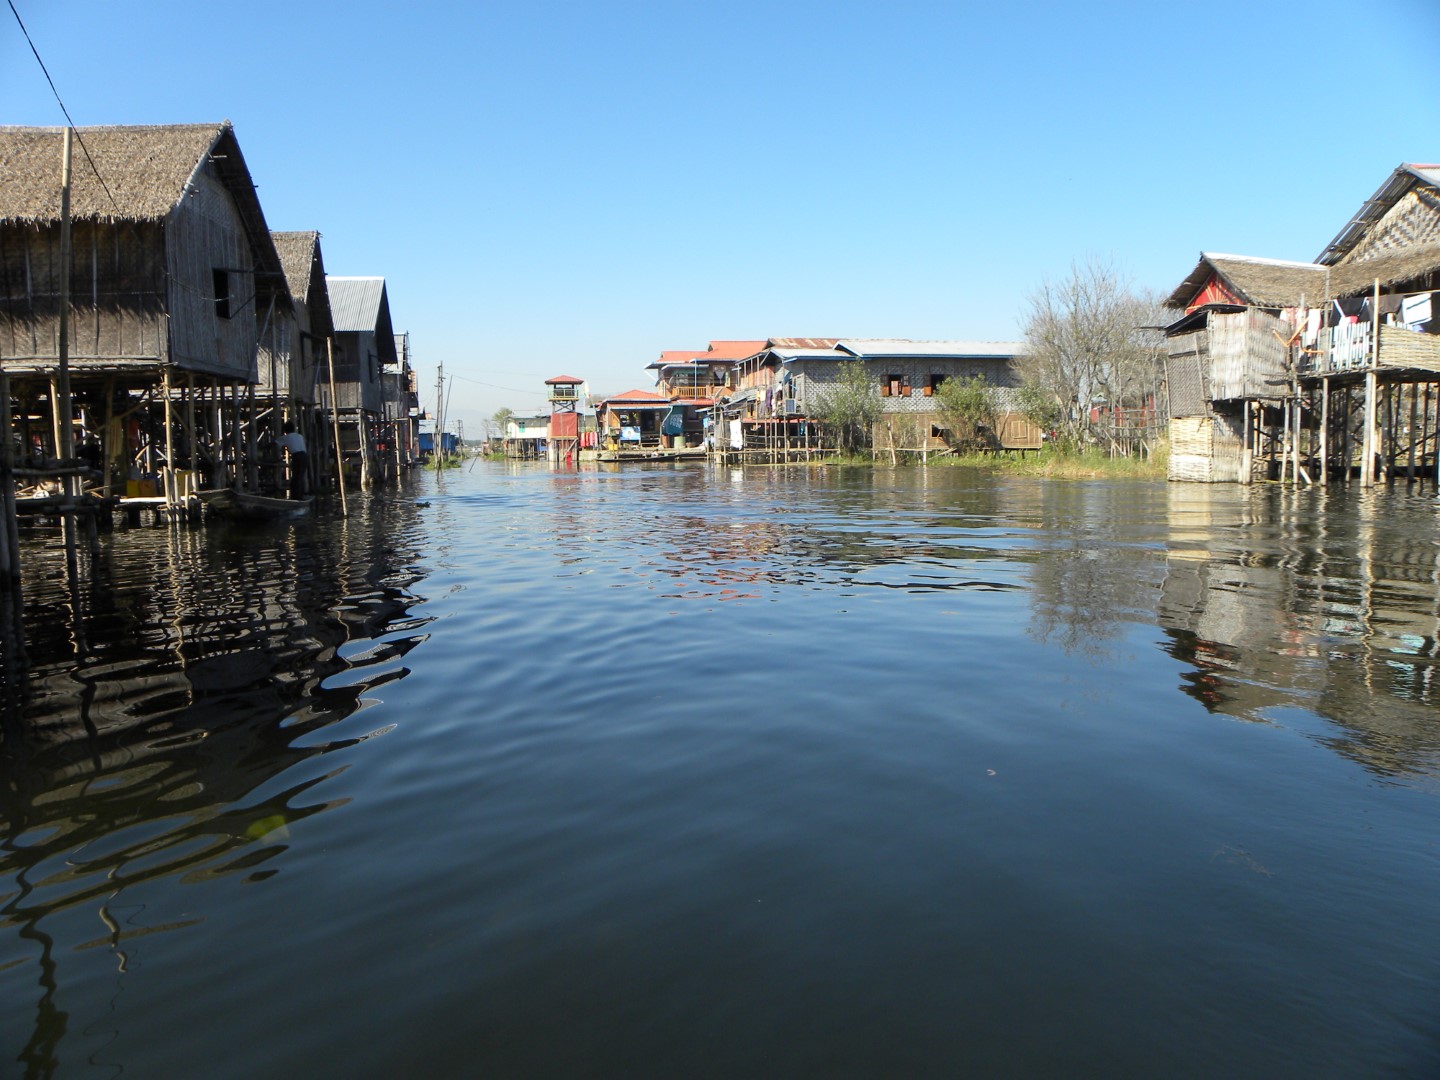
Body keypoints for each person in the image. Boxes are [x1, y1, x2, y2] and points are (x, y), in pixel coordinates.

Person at [276, 422, 308, 498]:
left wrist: (262, 447)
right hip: (304, 456)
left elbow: (275, 443)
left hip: (296, 456)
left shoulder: (286, 437)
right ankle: (300, 496)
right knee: (300, 476)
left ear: (285, 430)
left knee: (295, 478)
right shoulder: (300, 436)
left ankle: (295, 497)